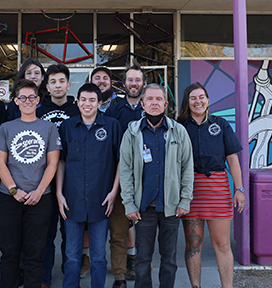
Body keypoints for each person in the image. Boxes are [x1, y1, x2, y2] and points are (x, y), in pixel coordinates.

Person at [119, 83, 193, 288]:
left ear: (166, 104)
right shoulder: (132, 133)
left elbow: (187, 168)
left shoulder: (178, 132)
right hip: (143, 208)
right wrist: (129, 204)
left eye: (158, 99)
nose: (154, 103)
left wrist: (185, 200)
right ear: (142, 104)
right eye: (149, 99)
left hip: (171, 207)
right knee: (142, 260)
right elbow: (124, 170)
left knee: (169, 259)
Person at [0, 79, 61, 288]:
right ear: (16, 101)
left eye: (32, 97)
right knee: (10, 253)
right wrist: (14, 190)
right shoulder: (6, 127)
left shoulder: (49, 128)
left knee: (35, 253)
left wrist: (39, 191)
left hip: (40, 199)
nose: (28, 101)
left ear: (38, 100)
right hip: (9, 198)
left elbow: (53, 163)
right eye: (23, 97)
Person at [178, 83, 245, 288]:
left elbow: (232, 160)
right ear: (187, 102)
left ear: (207, 99)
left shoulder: (221, 124)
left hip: (217, 188)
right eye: (193, 98)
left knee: (222, 244)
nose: (198, 101)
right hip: (190, 190)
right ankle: (195, 286)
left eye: (202, 97)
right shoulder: (179, 126)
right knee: (193, 245)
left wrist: (239, 189)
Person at [57, 83, 122, 288]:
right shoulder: (67, 127)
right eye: (83, 99)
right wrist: (59, 193)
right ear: (77, 103)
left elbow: (121, 160)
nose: (87, 104)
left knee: (99, 256)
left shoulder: (112, 126)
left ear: (99, 103)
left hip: (101, 200)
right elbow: (61, 161)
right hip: (72, 201)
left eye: (92, 100)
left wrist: (114, 192)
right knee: (72, 256)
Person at [35, 63, 78, 288]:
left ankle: (70, 275)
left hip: (73, 181)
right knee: (46, 234)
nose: (58, 85)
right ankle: (44, 278)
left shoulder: (79, 108)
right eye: (53, 81)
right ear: (47, 86)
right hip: (44, 181)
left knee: (71, 235)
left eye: (61, 81)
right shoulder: (38, 109)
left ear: (68, 85)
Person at [104, 63, 146, 285]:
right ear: (124, 83)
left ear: (143, 84)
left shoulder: (151, 106)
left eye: (137, 80)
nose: (133, 83)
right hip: (120, 178)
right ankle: (119, 275)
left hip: (147, 179)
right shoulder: (114, 109)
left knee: (146, 231)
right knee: (119, 230)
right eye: (130, 79)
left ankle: (142, 270)